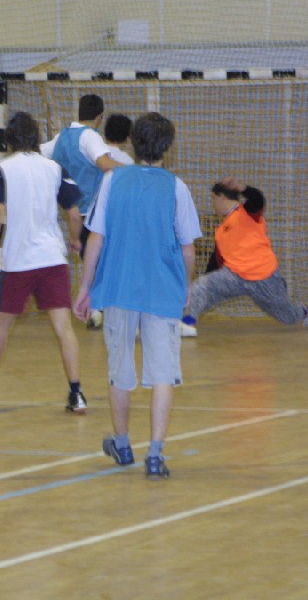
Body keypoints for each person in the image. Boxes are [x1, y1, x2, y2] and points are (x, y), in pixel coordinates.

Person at [73, 112, 202, 479]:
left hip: (119, 287)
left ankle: (123, 443)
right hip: (162, 290)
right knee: (163, 373)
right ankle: (156, 454)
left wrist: (84, 287)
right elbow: (188, 249)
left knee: (120, 369)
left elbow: (95, 239)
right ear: (167, 147)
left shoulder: (112, 180)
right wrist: (186, 285)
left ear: (133, 142)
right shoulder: (176, 187)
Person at [0, 111, 88, 414]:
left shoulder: (2, 169)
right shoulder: (55, 168)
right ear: (36, 136)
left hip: (18, 262)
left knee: (1, 326)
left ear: (10, 139)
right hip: (52, 259)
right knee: (63, 327)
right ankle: (76, 393)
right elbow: (73, 213)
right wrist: (75, 239)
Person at [181, 177, 308, 337]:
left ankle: (303, 311)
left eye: (213, 198)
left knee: (287, 317)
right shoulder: (221, 231)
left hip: (264, 277)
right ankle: (188, 323)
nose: (213, 203)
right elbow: (216, 262)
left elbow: (257, 199)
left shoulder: (247, 212)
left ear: (222, 197)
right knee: (201, 286)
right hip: (235, 277)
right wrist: (206, 281)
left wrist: (242, 187)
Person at [40, 94, 123, 255]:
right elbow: (105, 164)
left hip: (74, 211)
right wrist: (133, 169)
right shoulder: (90, 136)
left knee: (89, 262)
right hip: (93, 214)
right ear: (100, 116)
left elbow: (39, 152)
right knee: (100, 264)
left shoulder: (62, 136)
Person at [86, 113, 133, 329]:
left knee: (96, 265)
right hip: (117, 222)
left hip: (92, 218)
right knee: (115, 267)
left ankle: (95, 311)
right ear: (128, 136)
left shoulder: (96, 154)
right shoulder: (127, 162)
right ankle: (115, 309)